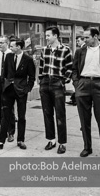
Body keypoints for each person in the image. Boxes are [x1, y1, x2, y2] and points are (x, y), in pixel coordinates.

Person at [72, 28, 100, 161]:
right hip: (83, 85)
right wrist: (76, 84)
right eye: (84, 38)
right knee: (84, 119)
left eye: (87, 37)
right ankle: (87, 147)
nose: (84, 40)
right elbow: (74, 69)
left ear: (96, 36)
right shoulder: (80, 51)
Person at [0, 38, 35, 150]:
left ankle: (20, 140)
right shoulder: (8, 56)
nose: (11, 47)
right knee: (5, 116)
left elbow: (32, 77)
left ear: (18, 47)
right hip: (8, 90)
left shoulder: (28, 59)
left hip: (21, 91)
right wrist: (5, 84)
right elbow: (4, 72)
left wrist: (27, 89)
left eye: (13, 46)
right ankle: (0, 141)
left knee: (21, 116)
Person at [39, 26, 73, 154]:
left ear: (55, 36)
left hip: (57, 83)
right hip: (45, 83)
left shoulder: (66, 50)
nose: (46, 38)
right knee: (47, 113)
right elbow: (41, 66)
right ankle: (51, 140)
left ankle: (62, 143)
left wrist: (63, 81)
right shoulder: (44, 50)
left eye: (48, 35)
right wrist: (41, 80)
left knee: (60, 114)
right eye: (46, 35)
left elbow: (70, 68)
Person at [0, 36, 15, 141]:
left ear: (7, 43)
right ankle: (2, 130)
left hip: (8, 82)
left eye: (1, 43)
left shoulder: (11, 54)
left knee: (9, 108)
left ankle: (11, 132)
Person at [66, 36, 85, 106]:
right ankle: (74, 100)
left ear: (84, 40)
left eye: (78, 41)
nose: (77, 43)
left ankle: (75, 100)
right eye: (77, 41)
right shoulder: (79, 50)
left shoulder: (81, 50)